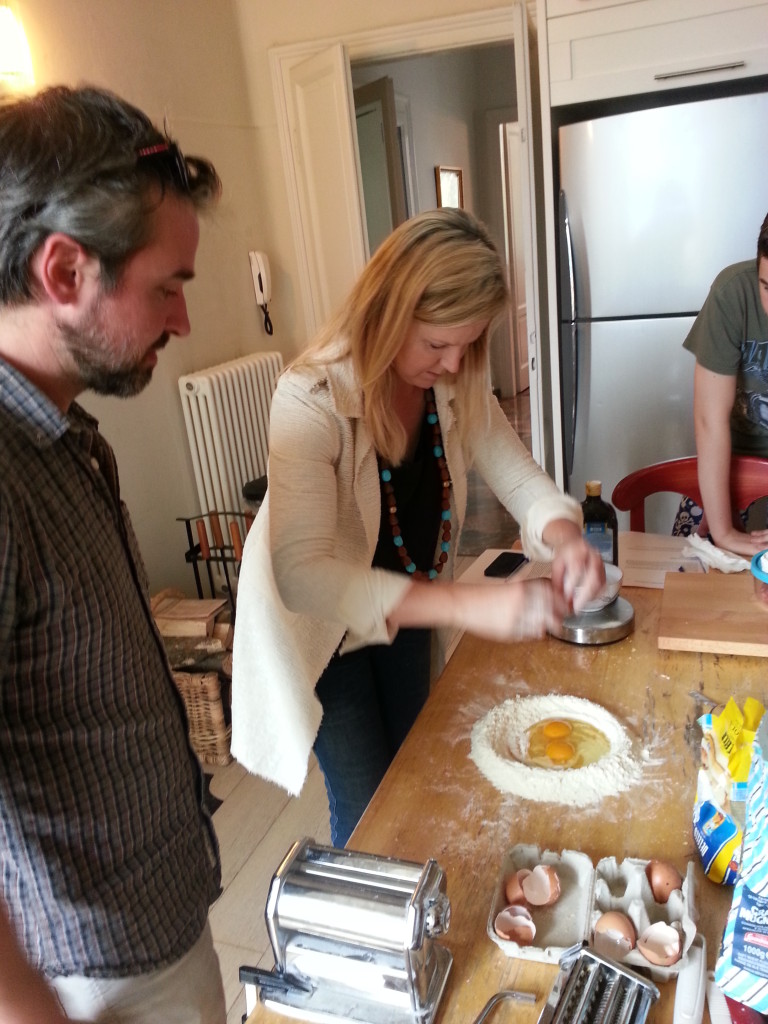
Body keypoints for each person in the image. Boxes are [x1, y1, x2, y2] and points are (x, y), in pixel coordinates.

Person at [231, 208, 605, 847]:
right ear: (388, 310)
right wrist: (468, 603)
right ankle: (370, 919)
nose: (454, 362)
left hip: (407, 607)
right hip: (324, 631)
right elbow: (303, 575)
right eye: (437, 344)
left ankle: (413, 892)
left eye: (468, 343)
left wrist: (565, 535)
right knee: (371, 802)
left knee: (413, 768)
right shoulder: (309, 397)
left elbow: (518, 478)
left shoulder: (455, 380)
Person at [0, 86, 226, 1023]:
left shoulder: (62, 430)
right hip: (96, 973)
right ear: (63, 271)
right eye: (166, 286)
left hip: (161, 909)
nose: (182, 321)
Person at [682, 212, 768, 556]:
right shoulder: (731, 293)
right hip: (732, 462)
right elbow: (710, 420)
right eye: (767, 287)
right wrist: (725, 532)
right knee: (692, 559)